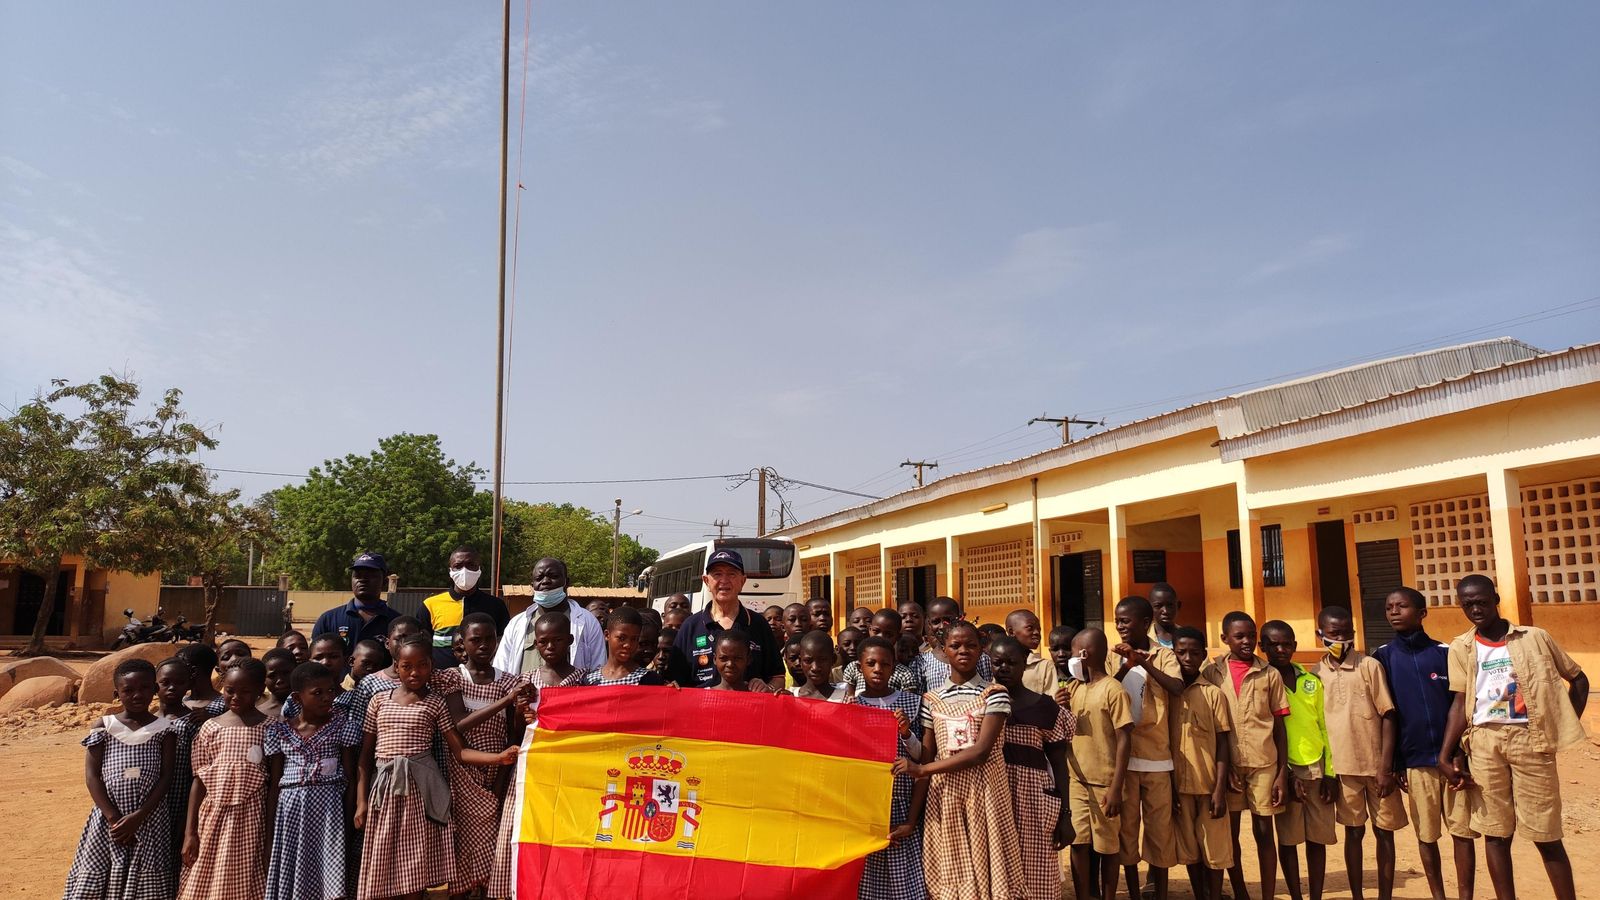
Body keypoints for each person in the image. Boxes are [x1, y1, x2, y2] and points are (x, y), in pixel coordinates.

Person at [1438, 574, 1588, 900]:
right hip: (1483, 742)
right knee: (1495, 833)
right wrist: (1445, 754)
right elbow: (1459, 702)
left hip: (1530, 740)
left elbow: (1578, 679)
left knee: (1546, 833)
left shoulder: (1534, 637)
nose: (1475, 609)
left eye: (1481, 601)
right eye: (1467, 605)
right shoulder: (1461, 647)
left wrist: (1561, 724)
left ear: (1495, 598)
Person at [355, 635, 518, 900]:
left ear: (431, 666)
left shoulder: (435, 703)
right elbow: (364, 759)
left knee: (415, 868)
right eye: (407, 666)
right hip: (384, 794)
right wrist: (362, 802)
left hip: (421, 795)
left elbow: (460, 751)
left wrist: (498, 758)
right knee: (382, 864)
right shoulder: (379, 701)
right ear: (396, 667)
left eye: (422, 665)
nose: (415, 672)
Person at [896, 621, 1023, 900]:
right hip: (946, 798)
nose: (963, 650)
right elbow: (928, 754)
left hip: (986, 795)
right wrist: (911, 820)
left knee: (988, 871)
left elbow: (981, 752)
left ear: (982, 650)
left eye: (971, 645)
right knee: (952, 873)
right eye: (955, 645)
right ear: (944, 650)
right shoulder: (931, 699)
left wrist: (922, 768)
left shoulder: (994, 694)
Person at [1372, 588, 1477, 900]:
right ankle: (1438, 895)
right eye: (1389, 606)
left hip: (1454, 762)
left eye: (1402, 606)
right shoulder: (1382, 658)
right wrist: (1395, 763)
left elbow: (1462, 705)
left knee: (1462, 832)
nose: (1394, 611)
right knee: (1426, 835)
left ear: (1421, 613)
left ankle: (1465, 895)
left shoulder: (1445, 653)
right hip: (1416, 763)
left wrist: (1460, 752)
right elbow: (1384, 716)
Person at [490, 612, 589, 900]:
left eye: (557, 641)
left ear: (569, 640)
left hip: (567, 772)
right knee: (519, 831)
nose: (549, 648)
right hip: (529, 771)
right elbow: (515, 731)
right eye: (543, 642)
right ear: (535, 643)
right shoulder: (526, 681)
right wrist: (523, 715)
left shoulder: (584, 681)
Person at [63, 658, 177, 900]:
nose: (138, 695)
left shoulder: (164, 729)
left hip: (149, 819)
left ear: (155, 690)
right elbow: (92, 776)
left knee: (146, 874)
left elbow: (166, 777)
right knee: (102, 868)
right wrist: (114, 818)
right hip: (108, 819)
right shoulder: (104, 726)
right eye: (129, 690)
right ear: (117, 694)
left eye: (145, 688)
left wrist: (138, 817)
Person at [1315, 605, 1406, 900]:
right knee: (1353, 833)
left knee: (1384, 832)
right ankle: (1357, 895)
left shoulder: (1369, 666)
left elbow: (1388, 715)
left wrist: (1386, 767)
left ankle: (1385, 895)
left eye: (1345, 633)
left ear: (1353, 635)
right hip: (1343, 769)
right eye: (1333, 634)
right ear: (1321, 636)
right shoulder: (1316, 674)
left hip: (1377, 765)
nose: (1339, 639)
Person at [1201, 611, 1288, 900]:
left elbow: (1279, 727)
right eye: (1239, 636)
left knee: (1264, 831)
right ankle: (1240, 892)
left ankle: (1267, 894)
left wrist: (1281, 774)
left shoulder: (1269, 673)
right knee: (1231, 833)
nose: (1247, 641)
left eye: (1251, 635)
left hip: (1264, 762)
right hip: (1229, 766)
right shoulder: (1212, 673)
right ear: (1225, 639)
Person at [264, 662, 361, 900]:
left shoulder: (343, 726)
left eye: (330, 691)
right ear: (298, 697)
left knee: (329, 875)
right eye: (317, 693)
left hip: (330, 812)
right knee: (294, 871)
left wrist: (347, 823)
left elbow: (350, 778)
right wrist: (269, 832)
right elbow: (275, 782)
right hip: (291, 813)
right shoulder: (280, 731)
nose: (326, 697)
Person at [449, 613, 529, 896]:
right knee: (461, 842)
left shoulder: (509, 680)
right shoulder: (453, 678)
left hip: (498, 768)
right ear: (463, 642)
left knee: (491, 842)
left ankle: (484, 890)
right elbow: (459, 724)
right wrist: (506, 701)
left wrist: (518, 710)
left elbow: (513, 732)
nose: (484, 645)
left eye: (490, 639)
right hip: (460, 773)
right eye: (475, 640)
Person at [990, 635, 1074, 900]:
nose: (1003, 668)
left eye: (1011, 663)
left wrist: (1065, 815)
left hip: (1035, 800)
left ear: (1025, 663)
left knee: (1039, 876)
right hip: (994, 797)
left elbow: (1060, 764)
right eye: (997, 662)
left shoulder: (1046, 708)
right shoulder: (982, 703)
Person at [1110, 595, 1183, 900]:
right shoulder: (1112, 655)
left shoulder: (1163, 655)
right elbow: (1107, 687)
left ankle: (1160, 890)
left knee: (1159, 830)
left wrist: (1143, 662)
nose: (1120, 626)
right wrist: (1127, 666)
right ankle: (1135, 892)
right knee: (1127, 830)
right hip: (1124, 759)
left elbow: (1176, 687)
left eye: (1125, 621)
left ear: (1144, 623)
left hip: (1157, 757)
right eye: (1117, 621)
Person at [180, 658, 271, 900]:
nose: (236, 697)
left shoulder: (271, 727)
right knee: (208, 871)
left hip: (253, 817)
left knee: (247, 874)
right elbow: (199, 781)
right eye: (230, 690)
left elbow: (274, 784)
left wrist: (271, 833)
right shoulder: (210, 728)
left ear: (260, 690)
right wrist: (190, 832)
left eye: (245, 691)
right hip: (213, 816)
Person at [1261, 620, 1336, 900]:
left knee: (1318, 838)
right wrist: (1286, 774)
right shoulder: (1263, 682)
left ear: (1294, 645)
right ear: (1263, 647)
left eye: (1287, 644)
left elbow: (1324, 727)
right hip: (1283, 770)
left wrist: (1330, 772)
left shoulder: (1310, 681)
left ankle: (1315, 895)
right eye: (1274, 644)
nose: (1281, 649)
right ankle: (1296, 895)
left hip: (1316, 766)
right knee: (1289, 838)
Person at [850, 636, 926, 899]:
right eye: (870, 663)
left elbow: (922, 758)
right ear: (860, 667)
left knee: (905, 879)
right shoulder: (852, 707)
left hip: (902, 803)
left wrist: (906, 733)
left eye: (885, 664)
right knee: (870, 882)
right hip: (867, 809)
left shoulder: (911, 703)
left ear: (894, 667)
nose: (878, 669)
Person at [1059, 627, 1133, 900]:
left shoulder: (1113, 690)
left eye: (1072, 652)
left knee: (1107, 847)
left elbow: (1124, 739)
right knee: (1079, 843)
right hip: (1076, 781)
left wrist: (1116, 788)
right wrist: (1061, 708)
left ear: (1084, 654)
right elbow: (1064, 731)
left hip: (1105, 783)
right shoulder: (1074, 687)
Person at [1171, 627, 1233, 900]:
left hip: (1209, 786)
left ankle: (1215, 895)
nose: (1187, 658)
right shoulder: (1167, 694)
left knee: (1215, 851)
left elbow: (1222, 743)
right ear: (1172, 654)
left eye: (1194, 653)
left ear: (1204, 655)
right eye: (1181, 652)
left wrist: (1220, 789)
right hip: (1179, 788)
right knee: (1190, 850)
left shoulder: (1213, 694)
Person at [674, 550, 784, 689]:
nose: (724, 581)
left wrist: (768, 688)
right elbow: (675, 682)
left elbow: (778, 677)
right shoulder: (690, 626)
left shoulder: (758, 624)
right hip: (702, 709)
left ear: (743, 581)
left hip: (749, 709)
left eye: (731, 574)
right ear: (706, 581)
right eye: (717, 574)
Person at [494, 557, 606, 676]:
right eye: (539, 578)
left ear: (566, 582)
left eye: (553, 576)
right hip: (526, 693)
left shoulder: (587, 622)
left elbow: (599, 669)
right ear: (533, 585)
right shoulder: (517, 624)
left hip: (572, 693)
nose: (545, 581)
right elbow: (501, 668)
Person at [418, 546, 512, 669]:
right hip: (441, 681)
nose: (464, 571)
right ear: (450, 570)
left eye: (470, 565)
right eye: (458, 566)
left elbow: (504, 644)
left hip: (484, 682)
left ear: (479, 569)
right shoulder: (430, 605)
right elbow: (422, 646)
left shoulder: (496, 605)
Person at [312, 553, 402, 659]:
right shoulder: (328, 620)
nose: (362, 580)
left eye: (370, 575)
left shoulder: (397, 623)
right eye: (357, 575)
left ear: (385, 582)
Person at [155, 656, 199, 872]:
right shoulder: (148, 722)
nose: (172, 687)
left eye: (179, 683)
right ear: (156, 685)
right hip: (150, 804)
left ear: (188, 685)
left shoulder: (193, 723)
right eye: (166, 682)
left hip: (180, 800)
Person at [577, 606, 666, 686]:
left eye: (634, 639)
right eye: (622, 638)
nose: (628, 645)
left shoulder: (651, 680)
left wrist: (672, 692)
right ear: (607, 635)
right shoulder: (590, 681)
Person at [841, 609, 921, 695]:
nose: (881, 637)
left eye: (888, 634)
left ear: (898, 636)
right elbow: (848, 703)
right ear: (870, 629)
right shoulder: (853, 668)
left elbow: (908, 703)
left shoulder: (905, 674)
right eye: (876, 631)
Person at [1004, 608, 1057, 695]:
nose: (1037, 633)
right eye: (1030, 628)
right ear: (1011, 632)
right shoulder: (1000, 665)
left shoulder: (1044, 666)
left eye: (1039, 629)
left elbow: (1052, 701)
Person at [706, 631, 774, 693]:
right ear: (715, 659)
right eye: (723, 658)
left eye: (737, 658)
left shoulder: (759, 692)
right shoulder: (704, 696)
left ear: (748, 659)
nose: (730, 664)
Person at [791, 631, 847, 701]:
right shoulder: (790, 697)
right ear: (800, 661)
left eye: (822, 660)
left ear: (833, 660)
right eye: (808, 661)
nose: (815, 668)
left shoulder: (845, 699)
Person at [176, 642, 221, 710]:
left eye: (178, 670)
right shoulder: (180, 702)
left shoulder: (224, 705)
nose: (174, 676)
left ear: (193, 671)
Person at [260, 648, 296, 720]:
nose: (280, 680)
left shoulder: (309, 709)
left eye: (286, 673)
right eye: (272, 676)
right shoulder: (259, 714)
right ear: (264, 679)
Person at [1149, 583, 1181, 650]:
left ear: (1178, 606)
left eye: (1170, 605)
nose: (1165, 611)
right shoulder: (1144, 638)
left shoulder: (1189, 637)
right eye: (1158, 606)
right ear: (1149, 608)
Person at [1048, 624, 1079, 689]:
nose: (1061, 654)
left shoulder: (1086, 679)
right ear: (1050, 651)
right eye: (1055, 649)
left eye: (1067, 648)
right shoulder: (1045, 679)